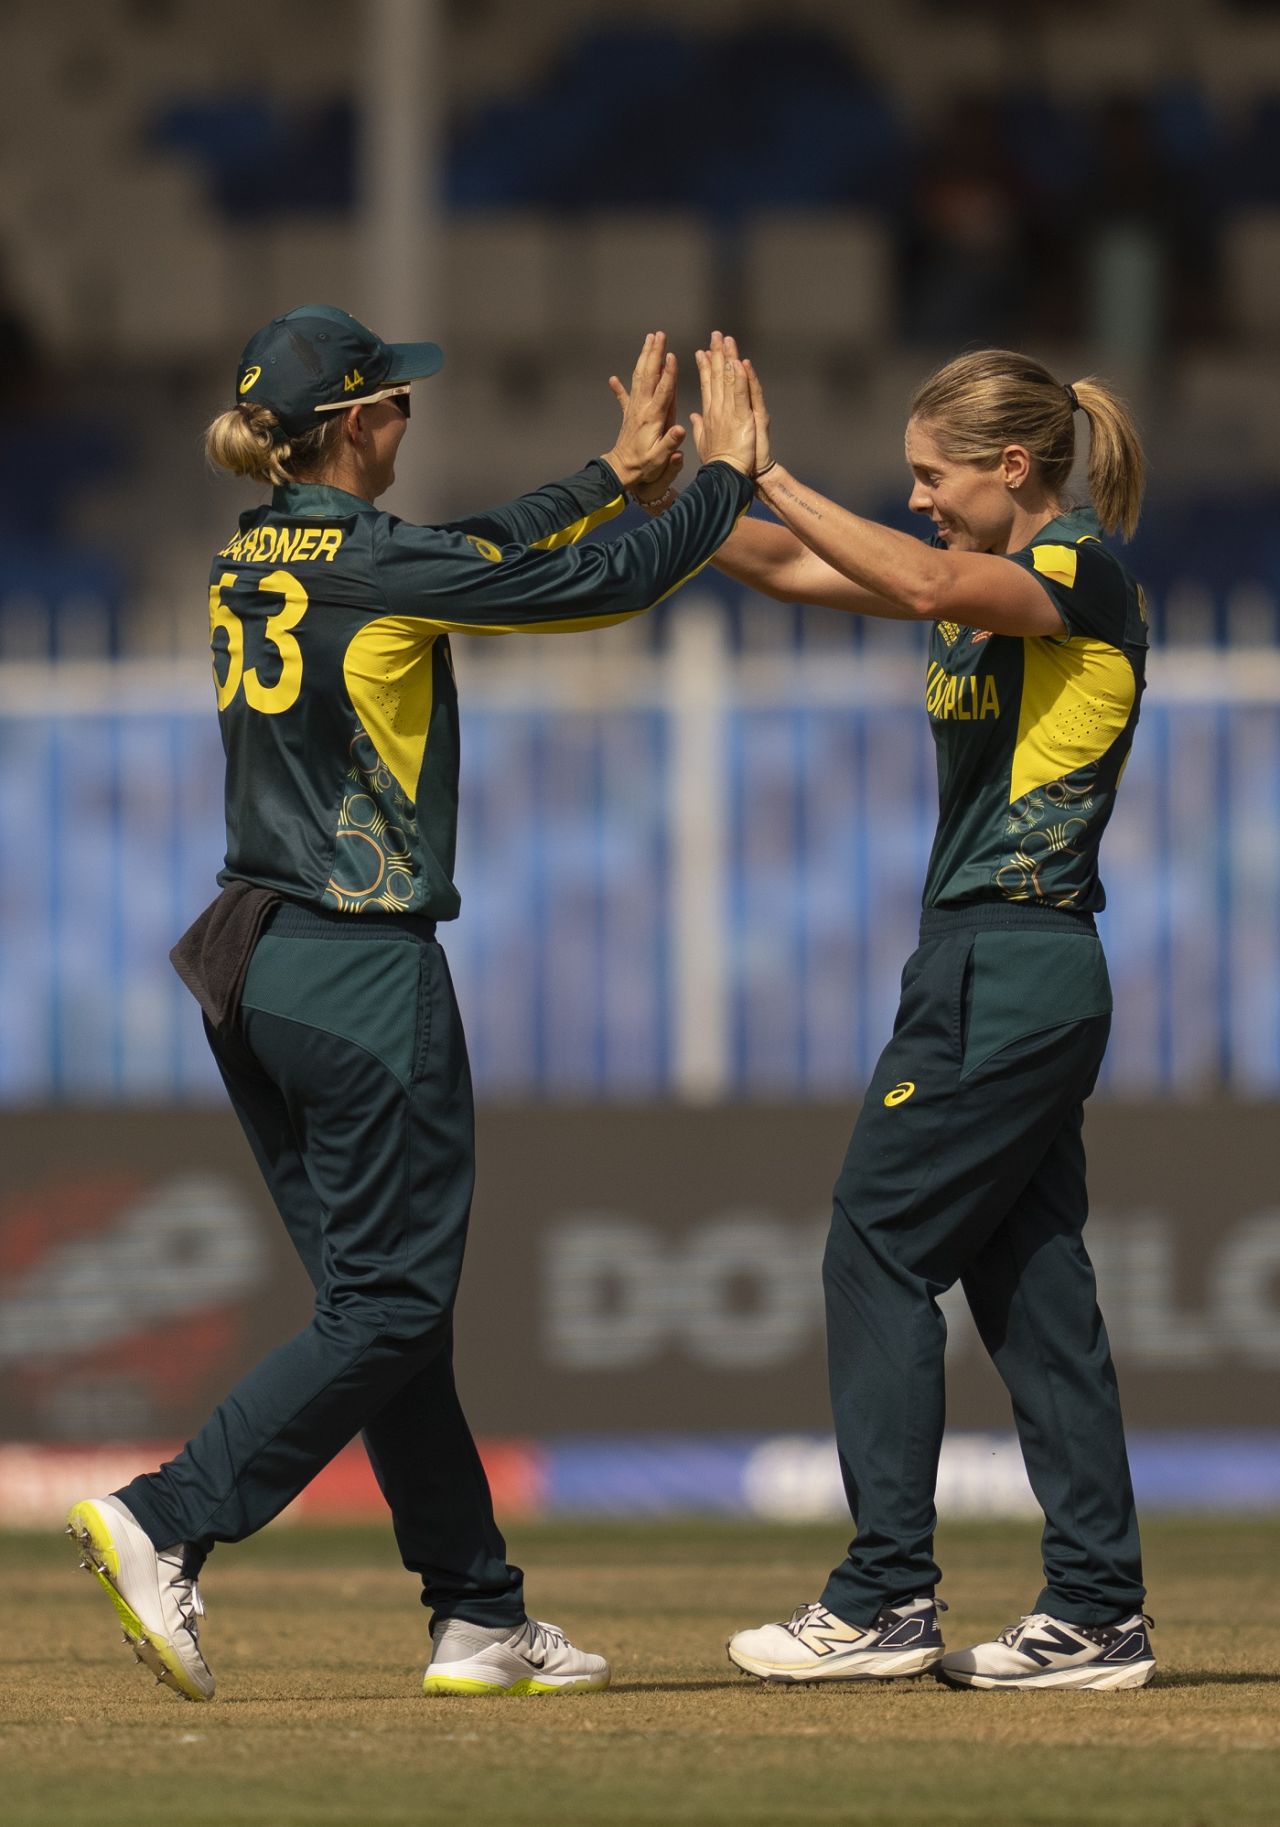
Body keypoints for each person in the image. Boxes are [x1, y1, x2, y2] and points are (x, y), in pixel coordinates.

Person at [67, 307, 757, 1703]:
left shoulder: (253, 549)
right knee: (388, 1302)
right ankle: (167, 1517)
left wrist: (608, 480)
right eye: (397, 404)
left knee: (384, 1312)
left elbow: (479, 557)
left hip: (249, 963)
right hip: (360, 967)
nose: (410, 423)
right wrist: (722, 488)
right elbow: (586, 595)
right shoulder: (373, 566)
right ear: (360, 423)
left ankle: (478, 1613)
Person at [701, 336, 1155, 1691]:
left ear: (1013, 469)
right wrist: (677, 499)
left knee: (876, 1242)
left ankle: (885, 1595)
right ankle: (1096, 1614)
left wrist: (769, 467)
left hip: (1008, 967)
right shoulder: (979, 594)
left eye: (930, 476)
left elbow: (920, 570)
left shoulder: (1075, 572)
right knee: (1032, 1287)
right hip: (989, 965)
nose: (915, 498)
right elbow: (795, 567)